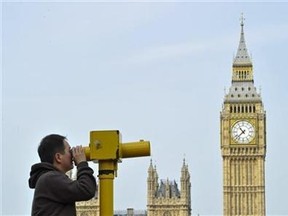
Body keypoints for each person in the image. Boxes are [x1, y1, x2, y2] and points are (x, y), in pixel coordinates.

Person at [28, 134, 96, 216]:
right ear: (58, 157)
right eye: (69, 151)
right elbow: (86, 189)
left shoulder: (50, 179)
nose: (72, 155)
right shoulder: (50, 179)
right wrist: (82, 164)